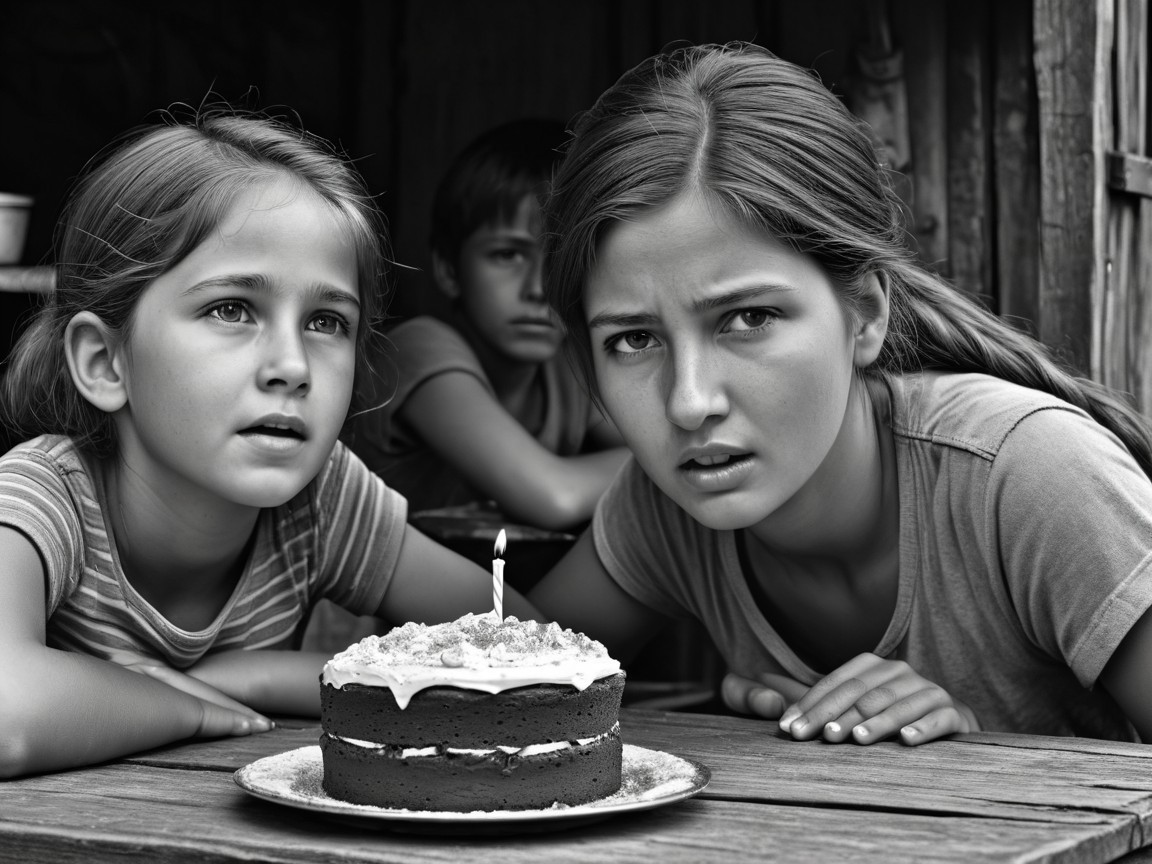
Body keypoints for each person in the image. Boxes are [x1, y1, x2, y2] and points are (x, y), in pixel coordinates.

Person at [528, 42, 1152, 745]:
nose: (688, 402)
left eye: (749, 318)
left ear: (864, 314)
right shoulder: (667, 509)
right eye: (634, 340)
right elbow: (505, 680)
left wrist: (981, 750)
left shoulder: (1029, 475)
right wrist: (377, 536)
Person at [0, 107, 538, 779]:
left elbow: (523, 648)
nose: (293, 364)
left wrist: (259, 679)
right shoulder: (39, 498)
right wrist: (183, 705)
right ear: (106, 363)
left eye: (325, 320)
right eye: (232, 309)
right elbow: (7, 716)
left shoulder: (322, 502)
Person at [348, 119, 628, 530]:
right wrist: (671, 463)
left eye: (561, 260)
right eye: (508, 254)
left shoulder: (568, 368)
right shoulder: (417, 350)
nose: (539, 288)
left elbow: (662, 440)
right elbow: (556, 496)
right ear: (448, 270)